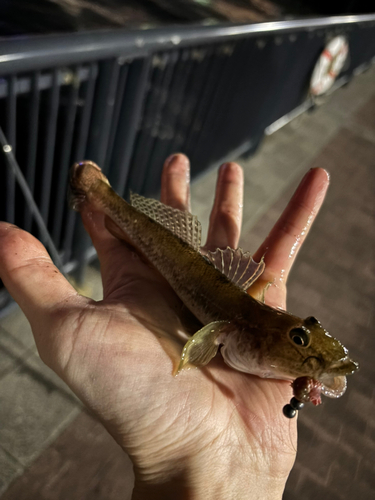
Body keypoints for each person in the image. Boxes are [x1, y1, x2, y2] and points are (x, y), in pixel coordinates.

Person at [0, 154, 329, 499]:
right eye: (299, 340)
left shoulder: (262, 343)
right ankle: (98, 195)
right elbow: (209, 338)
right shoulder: (239, 330)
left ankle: (98, 195)